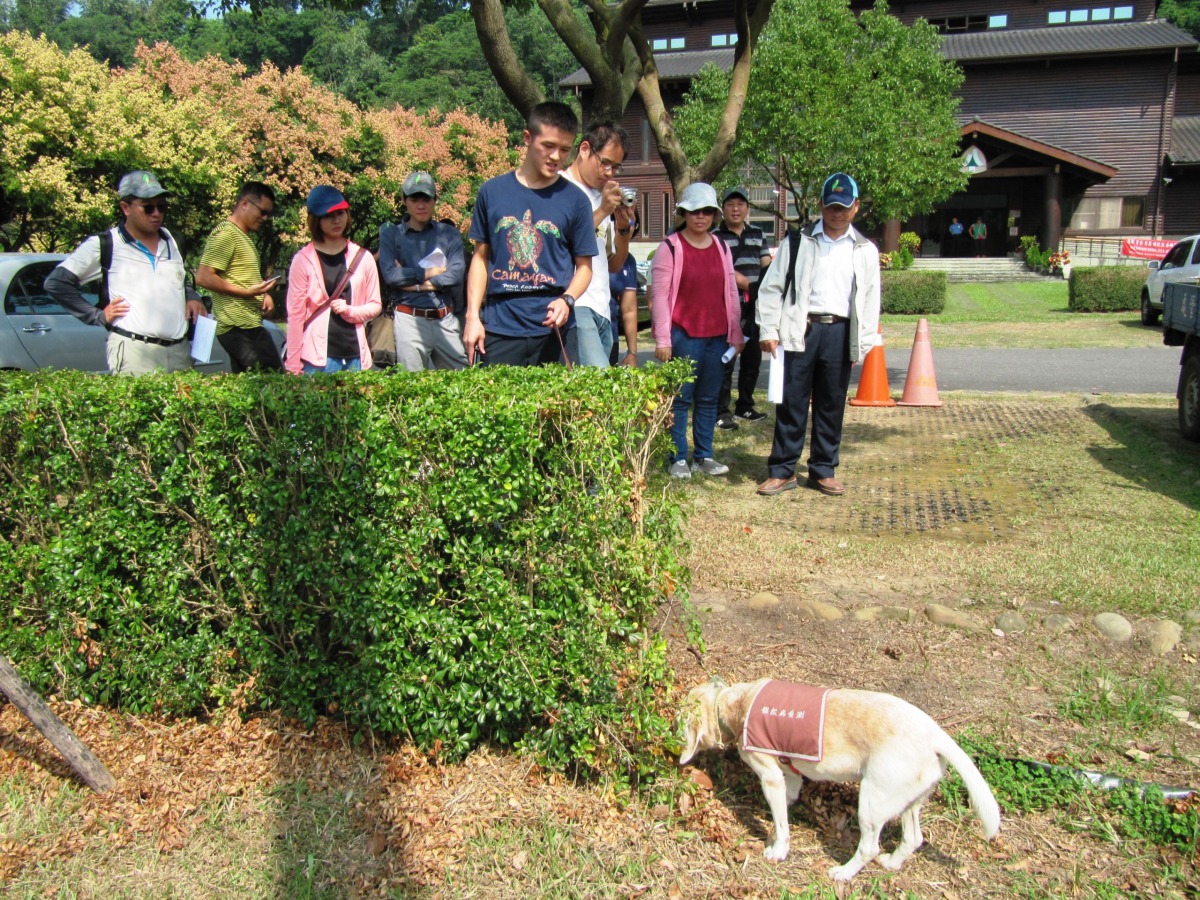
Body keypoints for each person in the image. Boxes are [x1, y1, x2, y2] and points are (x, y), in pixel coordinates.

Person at [755, 172, 880, 498]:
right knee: (792, 403)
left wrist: (862, 344)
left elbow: (870, 299)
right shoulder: (798, 241)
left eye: (844, 207)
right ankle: (782, 470)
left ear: (855, 207)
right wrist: (769, 329)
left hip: (840, 333)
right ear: (821, 205)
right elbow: (771, 288)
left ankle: (823, 469)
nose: (837, 213)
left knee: (831, 404)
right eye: (831, 206)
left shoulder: (865, 250)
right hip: (801, 330)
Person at [463, 102, 597, 367]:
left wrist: (567, 300)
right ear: (527, 138)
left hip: (553, 326)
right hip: (500, 326)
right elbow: (480, 258)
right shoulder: (492, 192)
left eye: (564, 149)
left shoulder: (576, 200)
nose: (556, 157)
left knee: (556, 409)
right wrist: (472, 317)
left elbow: (584, 267)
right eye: (548, 146)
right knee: (494, 408)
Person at [44, 170, 207, 376]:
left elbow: (180, 280)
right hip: (134, 351)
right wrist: (98, 316)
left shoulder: (173, 241)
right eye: (148, 207)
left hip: (179, 351)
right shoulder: (105, 244)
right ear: (125, 207)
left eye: (162, 207)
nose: (157, 213)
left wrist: (192, 297)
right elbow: (56, 283)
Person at [650, 183, 745, 479]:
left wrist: (736, 332)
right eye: (694, 211)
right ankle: (677, 457)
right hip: (684, 336)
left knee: (708, 399)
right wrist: (663, 339)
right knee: (680, 399)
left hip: (717, 337)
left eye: (706, 211)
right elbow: (660, 298)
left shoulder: (721, 247)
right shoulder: (670, 247)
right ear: (683, 213)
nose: (700, 217)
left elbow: (730, 290)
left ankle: (703, 456)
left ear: (714, 215)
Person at [561, 123, 636, 367]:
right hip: (576, 305)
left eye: (616, 167)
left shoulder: (600, 195)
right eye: (605, 163)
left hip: (603, 310)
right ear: (584, 149)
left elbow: (614, 265)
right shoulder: (559, 188)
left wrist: (624, 230)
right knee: (599, 390)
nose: (610, 173)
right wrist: (603, 210)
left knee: (591, 397)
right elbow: (560, 243)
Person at [285, 185, 382, 374]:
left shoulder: (363, 257)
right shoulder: (302, 260)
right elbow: (296, 316)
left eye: (341, 213)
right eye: (329, 215)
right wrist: (293, 366)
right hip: (316, 360)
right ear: (316, 220)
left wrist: (351, 311)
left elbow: (375, 304)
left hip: (356, 358)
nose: (337, 220)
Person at [378, 171, 468, 371]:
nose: (421, 205)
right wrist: (430, 272)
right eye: (414, 199)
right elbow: (391, 275)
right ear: (404, 200)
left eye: (426, 199)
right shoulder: (391, 235)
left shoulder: (449, 233)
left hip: (445, 318)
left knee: (463, 383)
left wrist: (412, 284)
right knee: (413, 388)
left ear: (435, 200)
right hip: (409, 319)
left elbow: (455, 274)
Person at [195, 181, 283, 372]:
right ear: (244, 204)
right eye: (262, 211)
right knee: (274, 383)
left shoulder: (243, 236)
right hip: (236, 327)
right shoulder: (227, 234)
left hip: (247, 324)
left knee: (255, 390)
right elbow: (202, 276)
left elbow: (242, 278)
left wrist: (262, 295)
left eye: (268, 213)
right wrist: (244, 292)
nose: (265, 218)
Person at [714, 186, 773, 430]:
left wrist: (767, 286)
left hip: (755, 308)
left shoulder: (758, 233)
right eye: (730, 204)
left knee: (752, 359)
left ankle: (745, 405)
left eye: (740, 204)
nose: (735, 209)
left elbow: (767, 265)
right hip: (728, 306)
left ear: (747, 208)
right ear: (723, 209)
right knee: (726, 361)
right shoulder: (716, 237)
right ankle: (721, 411)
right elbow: (725, 271)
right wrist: (752, 285)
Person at [609, 250, 639, 367]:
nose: (629, 231)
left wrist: (632, 352)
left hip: (611, 335)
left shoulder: (629, 260)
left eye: (632, 230)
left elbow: (629, 309)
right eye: (622, 231)